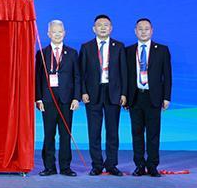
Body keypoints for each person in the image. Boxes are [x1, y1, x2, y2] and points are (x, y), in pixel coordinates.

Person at [79, 15, 127, 176]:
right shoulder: (86, 47)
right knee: (94, 131)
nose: (103, 28)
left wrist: (124, 93)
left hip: (113, 93)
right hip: (93, 93)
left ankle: (112, 164)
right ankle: (97, 165)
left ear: (111, 28)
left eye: (106, 25)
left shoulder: (119, 46)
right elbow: (81, 72)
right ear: (94, 29)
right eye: (99, 25)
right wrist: (83, 92)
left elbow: (124, 72)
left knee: (112, 131)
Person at [125, 18, 172, 177]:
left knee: (153, 133)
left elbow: (167, 75)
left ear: (152, 31)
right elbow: (125, 76)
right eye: (140, 29)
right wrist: (125, 96)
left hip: (154, 97)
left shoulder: (162, 50)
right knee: (137, 133)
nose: (143, 31)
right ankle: (139, 165)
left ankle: (152, 166)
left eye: (146, 29)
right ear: (135, 31)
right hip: (135, 97)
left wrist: (166, 97)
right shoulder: (129, 51)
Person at [35, 20, 81, 177]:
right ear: (48, 34)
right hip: (47, 100)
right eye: (54, 32)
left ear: (64, 33)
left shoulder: (72, 53)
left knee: (65, 135)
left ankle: (66, 167)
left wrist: (76, 98)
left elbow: (77, 77)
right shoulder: (42, 53)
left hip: (67, 100)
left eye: (60, 32)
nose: (57, 34)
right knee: (49, 135)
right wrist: (38, 98)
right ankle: (49, 167)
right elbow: (37, 77)